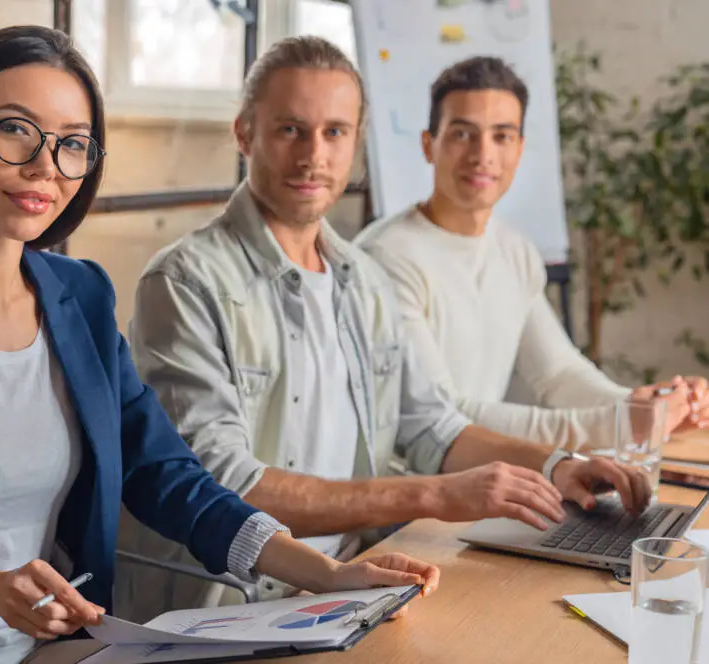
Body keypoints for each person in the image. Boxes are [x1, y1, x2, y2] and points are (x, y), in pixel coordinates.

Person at [0, 27, 442, 664]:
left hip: (55, 649)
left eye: (72, 144)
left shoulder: (80, 296)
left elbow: (167, 476)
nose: (44, 165)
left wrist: (328, 577)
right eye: (15, 130)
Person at [119, 36, 652, 624]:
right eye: (290, 129)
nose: (313, 155)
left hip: (356, 581)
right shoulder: (184, 280)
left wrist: (557, 465)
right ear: (244, 133)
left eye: (335, 132)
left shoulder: (362, 279)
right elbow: (225, 484)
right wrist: (433, 495)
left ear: (357, 144)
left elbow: (430, 422)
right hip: (234, 602)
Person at [356, 55, 709, 450]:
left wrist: (643, 406)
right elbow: (441, 415)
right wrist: (621, 425)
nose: (482, 155)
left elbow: (557, 373)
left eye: (501, 136)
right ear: (428, 145)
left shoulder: (514, 249)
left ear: (520, 150)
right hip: (409, 495)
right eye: (462, 134)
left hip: (480, 482)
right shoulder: (385, 257)